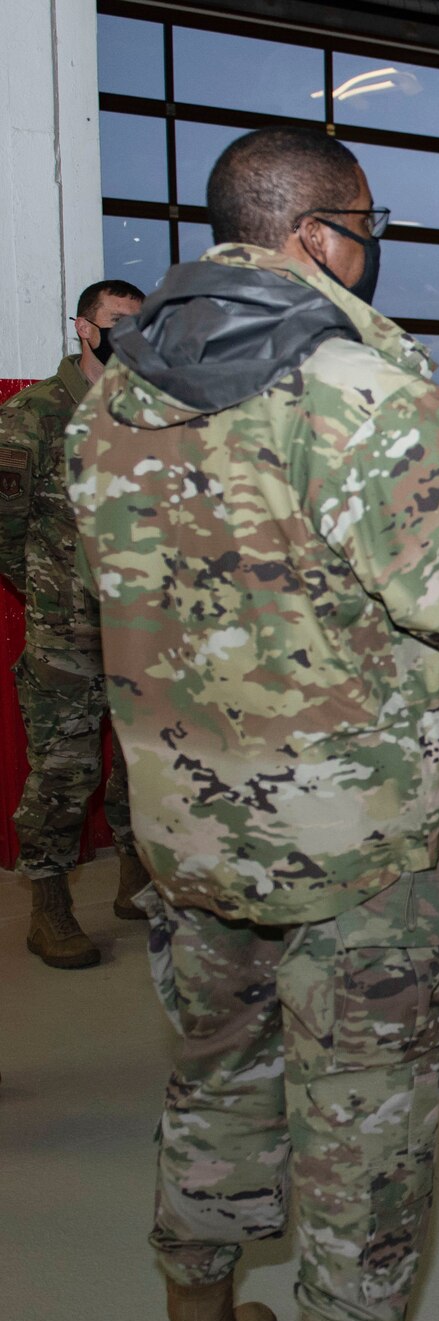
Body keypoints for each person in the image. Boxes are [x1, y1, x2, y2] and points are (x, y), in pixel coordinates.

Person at [68, 127, 439, 1321]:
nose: (369, 258)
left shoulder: (116, 392)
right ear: (318, 235)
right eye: (368, 232)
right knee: (364, 1122)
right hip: (352, 859)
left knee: (214, 1092)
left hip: (191, 835)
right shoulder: (345, 381)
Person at [0, 278, 150, 969]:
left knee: (143, 766)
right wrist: (52, 589)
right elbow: (4, 531)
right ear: (85, 329)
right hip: (67, 636)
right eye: (119, 322)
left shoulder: (152, 415)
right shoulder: (32, 416)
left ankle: (136, 880)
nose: (132, 334)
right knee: (64, 770)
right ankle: (49, 905)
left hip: (143, 629)